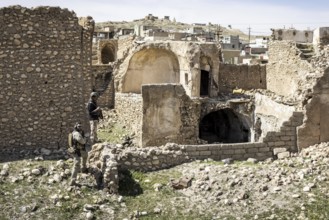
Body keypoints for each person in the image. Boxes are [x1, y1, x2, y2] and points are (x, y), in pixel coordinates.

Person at [69, 122, 88, 186]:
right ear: (76, 127)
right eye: (79, 126)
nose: (80, 127)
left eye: (81, 126)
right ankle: (72, 180)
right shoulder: (76, 134)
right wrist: (85, 138)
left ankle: (83, 169)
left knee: (85, 155)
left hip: (79, 150)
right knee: (77, 164)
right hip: (77, 151)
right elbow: (82, 142)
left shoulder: (77, 132)